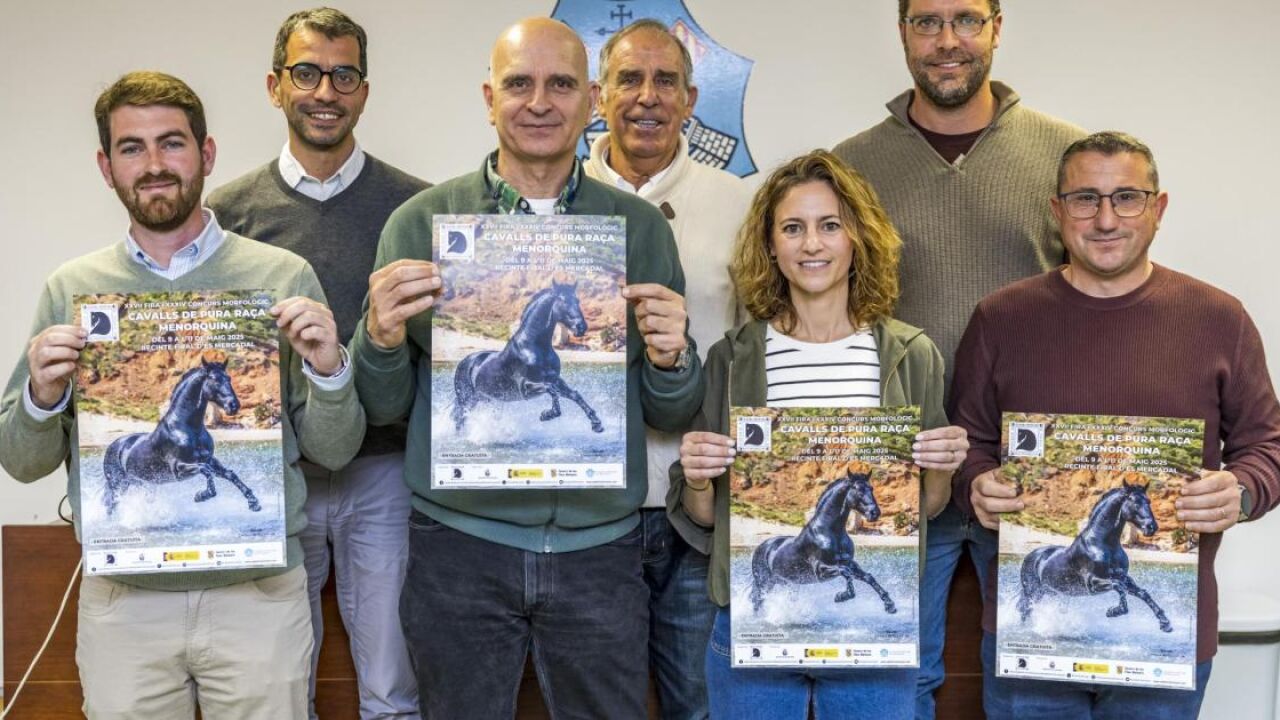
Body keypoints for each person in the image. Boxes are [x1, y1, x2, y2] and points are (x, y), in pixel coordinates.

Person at [348, 17, 704, 720]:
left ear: (592, 100)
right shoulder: (419, 223)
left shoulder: (640, 229)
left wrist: (674, 359)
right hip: (460, 546)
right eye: (519, 84)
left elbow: (669, 410)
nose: (539, 102)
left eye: (561, 84)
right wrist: (380, 339)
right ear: (490, 99)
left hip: (600, 552)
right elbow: (384, 408)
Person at [0, 71, 365, 719]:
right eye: (131, 148)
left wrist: (331, 369)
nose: (154, 164)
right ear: (106, 167)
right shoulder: (71, 288)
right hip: (125, 605)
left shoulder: (282, 276)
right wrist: (40, 394)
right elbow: (22, 462)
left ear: (207, 154)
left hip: (257, 595)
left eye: (171, 143)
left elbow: (334, 451)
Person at [951, 131, 1280, 718]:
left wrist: (1243, 491)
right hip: (1030, 650)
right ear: (1057, 211)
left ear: (1159, 208)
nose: (1106, 219)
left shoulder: (1220, 319)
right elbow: (967, 443)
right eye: (1085, 199)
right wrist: (975, 483)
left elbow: (1266, 445)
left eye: (1127, 197)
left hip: (1167, 649)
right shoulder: (999, 318)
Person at [831, 2, 1085, 713]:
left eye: (967, 20)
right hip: (901, 468)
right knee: (893, 678)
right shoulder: (850, 165)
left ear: (997, 27)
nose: (948, 41)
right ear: (902, 33)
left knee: (1036, 679)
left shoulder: (1067, 156)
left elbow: (1101, 295)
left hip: (1029, 472)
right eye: (927, 22)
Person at [671, 149, 969, 719]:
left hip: (873, 636)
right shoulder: (733, 358)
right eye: (793, 228)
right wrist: (700, 478)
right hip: (755, 626)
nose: (812, 244)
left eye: (830, 225)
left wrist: (942, 466)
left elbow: (927, 508)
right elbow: (705, 517)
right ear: (770, 245)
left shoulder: (910, 353)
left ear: (857, 238)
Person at [207, 9, 428, 718]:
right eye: (306, 73)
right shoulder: (226, 214)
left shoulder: (415, 208)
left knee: (393, 689)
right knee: (275, 689)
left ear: (364, 91)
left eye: (343, 75)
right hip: (277, 479)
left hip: (385, 474)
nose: (325, 91)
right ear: (275, 86)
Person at [584, 18, 751, 719]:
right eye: (629, 79)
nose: (646, 97)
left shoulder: (740, 204)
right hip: (595, 511)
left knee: (700, 705)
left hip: (701, 506)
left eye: (666, 82)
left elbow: (759, 348)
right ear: (598, 96)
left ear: (691, 100)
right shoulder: (558, 201)